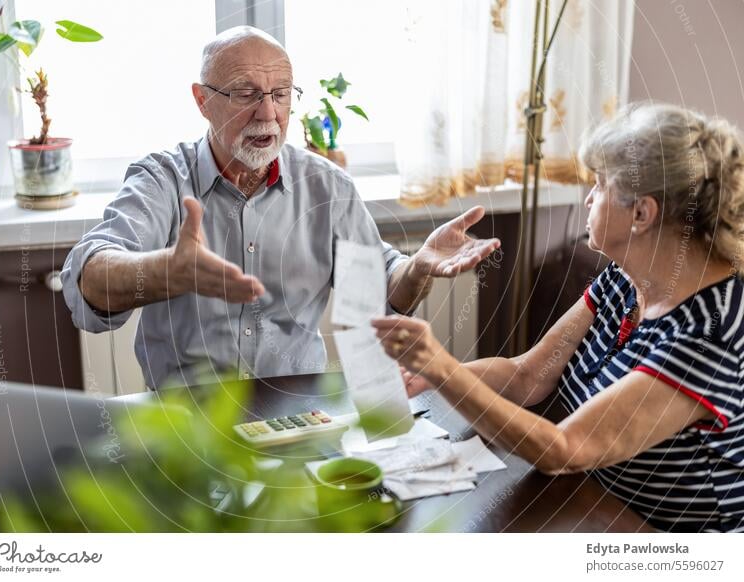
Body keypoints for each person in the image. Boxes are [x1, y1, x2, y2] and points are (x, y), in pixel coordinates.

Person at [373, 103, 744, 532]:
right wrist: (428, 380)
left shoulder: (710, 333)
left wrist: (440, 367)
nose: (588, 198)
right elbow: (527, 374)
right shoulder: (624, 280)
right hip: (596, 508)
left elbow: (565, 449)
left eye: (600, 186)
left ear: (642, 213)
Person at [60, 26, 500, 388]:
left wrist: (417, 269)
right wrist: (164, 272)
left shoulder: (327, 186)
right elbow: (88, 275)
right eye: (245, 93)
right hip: (185, 421)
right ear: (202, 100)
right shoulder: (162, 179)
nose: (267, 113)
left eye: (281, 94)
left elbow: (381, 291)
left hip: (299, 412)